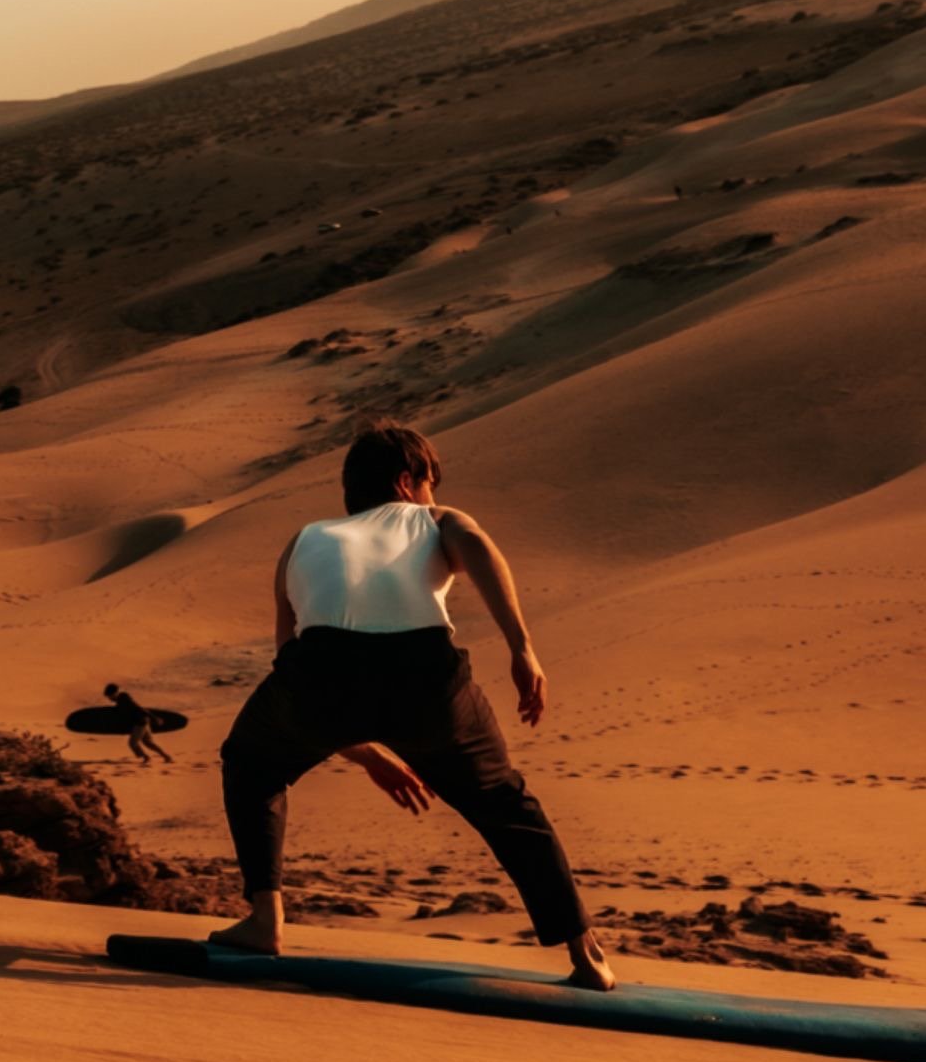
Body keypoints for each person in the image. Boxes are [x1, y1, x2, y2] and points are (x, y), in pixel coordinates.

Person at [214, 418, 614, 991]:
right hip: (426, 683)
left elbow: (290, 664)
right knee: (506, 804)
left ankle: (263, 920)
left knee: (251, 764)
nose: (435, 495)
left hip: (318, 678)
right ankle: (584, 950)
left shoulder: (303, 540)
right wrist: (522, 649)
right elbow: (478, 548)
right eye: (432, 483)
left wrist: (361, 751)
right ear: (408, 482)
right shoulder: (435, 519)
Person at [104, 683, 172, 766]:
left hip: (140, 723)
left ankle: (146, 757)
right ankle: (167, 757)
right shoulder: (121, 700)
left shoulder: (124, 699)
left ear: (115, 693)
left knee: (132, 743)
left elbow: (139, 708)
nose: (109, 699)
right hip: (144, 721)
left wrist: (154, 717)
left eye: (110, 696)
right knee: (148, 742)